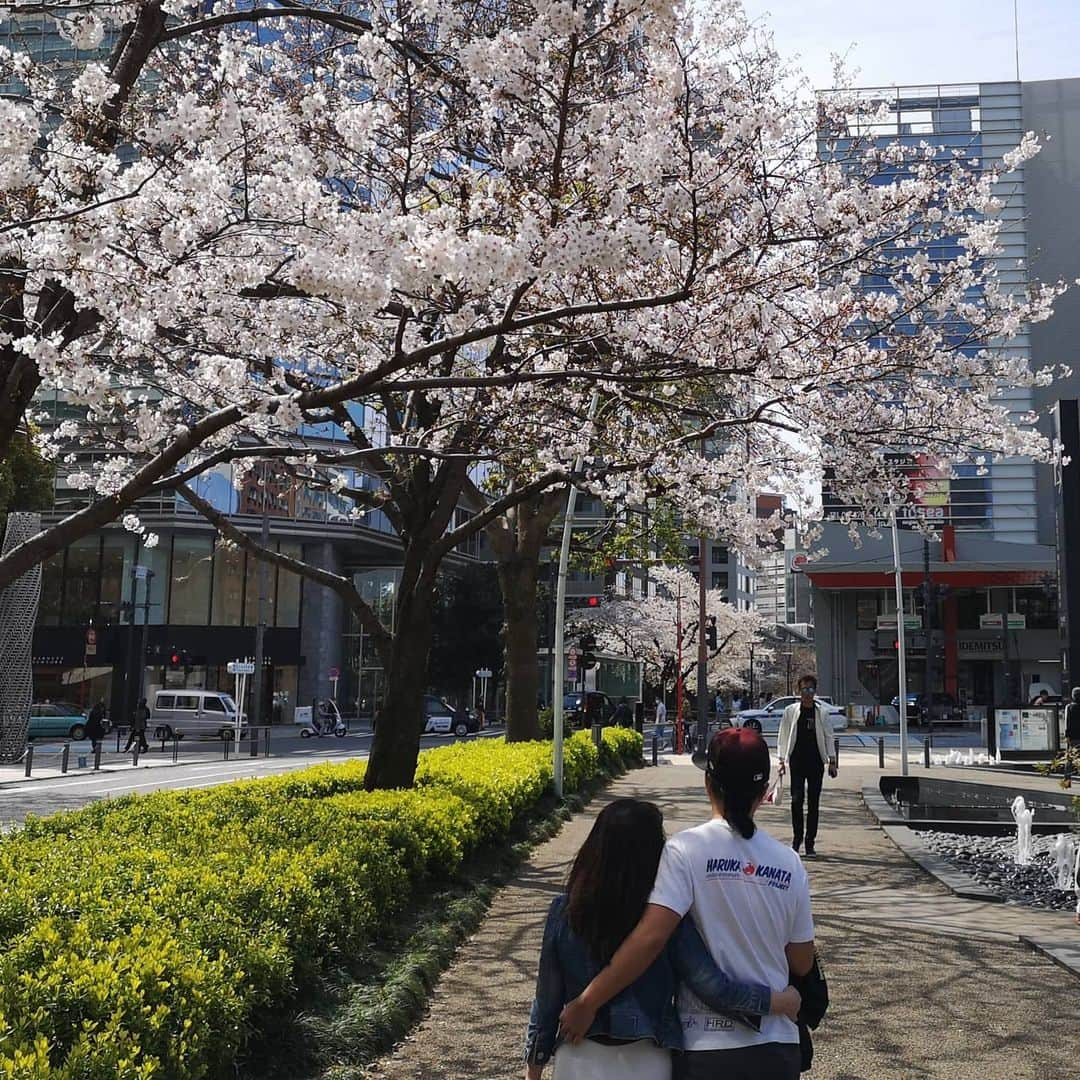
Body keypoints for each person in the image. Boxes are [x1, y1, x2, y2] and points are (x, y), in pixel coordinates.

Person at [557, 729, 815, 1080]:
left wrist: (588, 1002)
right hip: (777, 1047)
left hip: (705, 1047)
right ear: (763, 790)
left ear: (709, 783)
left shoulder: (685, 851)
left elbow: (650, 939)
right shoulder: (789, 863)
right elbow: (801, 960)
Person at [524, 797, 801, 1079]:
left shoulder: (565, 912)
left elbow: (545, 1001)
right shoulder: (665, 921)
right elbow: (715, 988)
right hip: (646, 1058)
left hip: (577, 1056)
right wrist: (779, 1003)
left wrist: (534, 1068)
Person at [777, 675, 837, 858]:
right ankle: (797, 840)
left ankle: (810, 842)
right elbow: (783, 735)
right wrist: (781, 760)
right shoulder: (790, 711)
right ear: (799, 691)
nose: (807, 694)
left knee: (813, 803)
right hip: (797, 761)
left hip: (816, 761)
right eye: (804, 689)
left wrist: (832, 761)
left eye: (811, 690)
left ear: (815, 691)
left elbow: (828, 736)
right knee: (796, 800)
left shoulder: (822, 713)